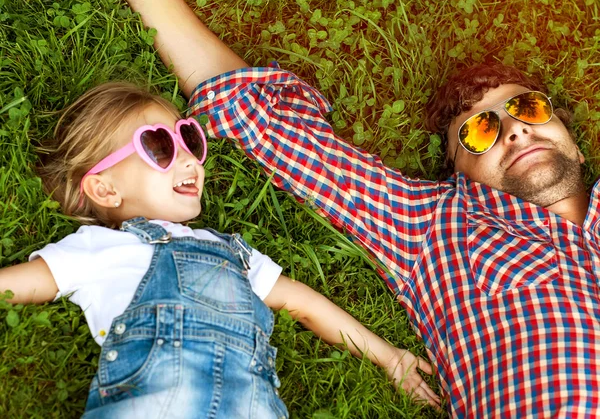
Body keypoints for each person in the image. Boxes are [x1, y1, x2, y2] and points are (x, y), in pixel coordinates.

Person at [120, 0, 600, 417]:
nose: (515, 130)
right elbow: (260, 118)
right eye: (481, 130)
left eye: (528, 109)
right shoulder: (435, 226)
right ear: (457, 172)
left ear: (575, 143)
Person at [0, 81, 441, 417]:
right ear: (104, 188)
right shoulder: (98, 250)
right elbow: (18, 284)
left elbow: (301, 301)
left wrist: (389, 356)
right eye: (160, 147)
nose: (191, 160)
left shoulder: (230, 250)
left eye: (189, 140)